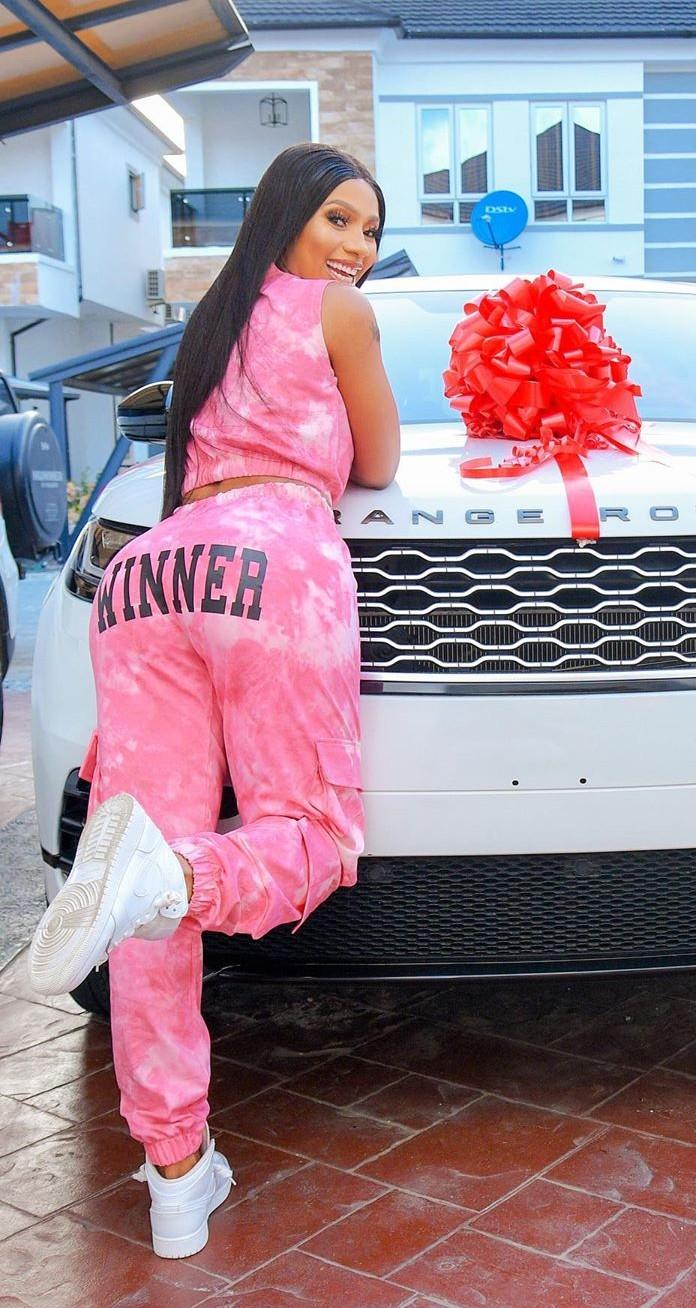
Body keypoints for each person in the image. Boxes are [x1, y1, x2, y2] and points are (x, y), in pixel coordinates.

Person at [28, 142, 400, 1259]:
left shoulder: (209, 326)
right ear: (288, 215)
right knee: (311, 835)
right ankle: (173, 876)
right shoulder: (339, 313)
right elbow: (379, 462)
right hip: (271, 559)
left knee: (142, 876)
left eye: (370, 230)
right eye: (339, 219)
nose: (357, 246)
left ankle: (176, 1179)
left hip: (150, 574)